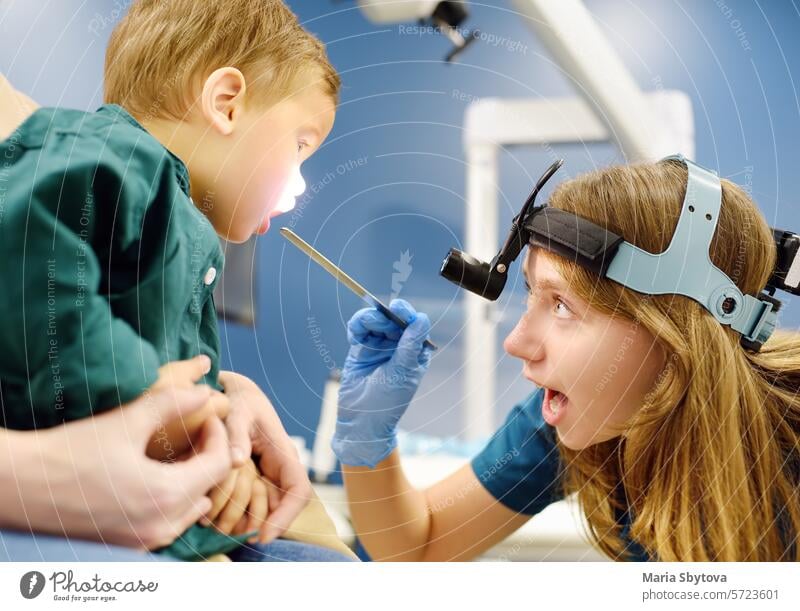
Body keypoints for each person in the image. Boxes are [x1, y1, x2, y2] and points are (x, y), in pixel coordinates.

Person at [0, 0, 341, 561]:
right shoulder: (118, 159)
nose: (299, 186)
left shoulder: (183, 227)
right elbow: (31, 255)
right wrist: (162, 407)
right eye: (300, 145)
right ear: (226, 103)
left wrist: (216, 429)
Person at [332, 158, 800, 561]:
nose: (515, 343)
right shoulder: (572, 418)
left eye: (561, 305)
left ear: (676, 329)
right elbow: (418, 547)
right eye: (534, 294)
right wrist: (366, 438)